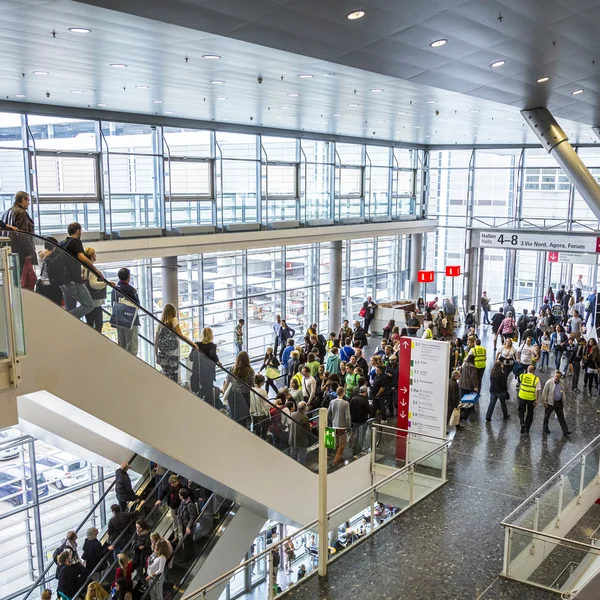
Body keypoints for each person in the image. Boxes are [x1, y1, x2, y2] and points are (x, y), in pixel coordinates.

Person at [60, 222, 104, 319]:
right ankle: (66, 319)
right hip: (74, 280)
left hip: (64, 281)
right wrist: (95, 270)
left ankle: (70, 325)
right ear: (78, 231)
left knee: (70, 307)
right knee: (89, 305)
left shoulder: (62, 243)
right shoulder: (76, 242)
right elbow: (81, 256)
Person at [156, 303, 197, 383]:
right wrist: (192, 344)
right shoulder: (174, 320)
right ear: (173, 312)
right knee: (173, 378)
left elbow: (156, 341)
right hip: (173, 354)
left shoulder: (160, 323)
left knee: (165, 377)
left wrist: (156, 356)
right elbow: (180, 335)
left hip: (162, 354)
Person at [1, 191, 36, 268]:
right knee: (23, 277)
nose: (29, 203)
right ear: (23, 200)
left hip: (8, 251)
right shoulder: (21, 212)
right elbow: (23, 235)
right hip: (20, 252)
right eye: (28, 200)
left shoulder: (5, 213)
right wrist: (31, 252)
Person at [111, 268, 140, 356]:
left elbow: (112, 304)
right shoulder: (131, 290)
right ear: (128, 277)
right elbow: (137, 305)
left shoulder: (114, 289)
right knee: (131, 346)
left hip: (119, 320)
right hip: (130, 320)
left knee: (121, 344)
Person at [222, 351, 255, 426]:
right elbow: (252, 385)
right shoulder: (250, 370)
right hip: (245, 396)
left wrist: (224, 391)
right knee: (243, 416)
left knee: (234, 415)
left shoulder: (232, 368)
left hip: (233, 395)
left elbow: (227, 381)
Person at [190, 327, 220, 404]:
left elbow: (191, 358)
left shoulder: (196, 345)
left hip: (198, 374)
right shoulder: (212, 346)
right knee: (208, 396)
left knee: (198, 395)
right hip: (208, 375)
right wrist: (219, 362)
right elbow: (213, 358)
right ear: (211, 335)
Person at [81, 247, 107, 333]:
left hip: (86, 299)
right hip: (95, 302)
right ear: (92, 255)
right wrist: (106, 283)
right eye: (95, 254)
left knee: (89, 323)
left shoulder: (83, 268)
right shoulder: (91, 269)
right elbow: (93, 284)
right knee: (98, 324)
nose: (95, 256)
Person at [541, 371, 571, 436]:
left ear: (560, 377)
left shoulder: (562, 382)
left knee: (561, 417)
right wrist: (545, 402)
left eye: (558, 377)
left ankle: (565, 430)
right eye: (555, 376)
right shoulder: (549, 382)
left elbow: (563, 391)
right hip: (550, 402)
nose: (556, 378)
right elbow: (544, 393)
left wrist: (563, 401)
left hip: (559, 402)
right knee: (547, 416)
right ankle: (545, 428)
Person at [35, 237, 63, 306]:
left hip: (42, 285)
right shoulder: (55, 257)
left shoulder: (41, 255)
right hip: (53, 286)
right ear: (54, 246)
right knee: (56, 307)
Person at [328, 387, 351, 465]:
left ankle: (338, 457)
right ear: (343, 393)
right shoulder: (346, 403)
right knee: (342, 444)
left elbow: (329, 414)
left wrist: (332, 421)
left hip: (334, 425)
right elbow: (347, 417)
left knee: (337, 442)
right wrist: (349, 426)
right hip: (342, 426)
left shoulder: (332, 402)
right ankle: (337, 460)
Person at [517, 365, 541, 434]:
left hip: (522, 396)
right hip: (531, 398)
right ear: (533, 371)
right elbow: (537, 390)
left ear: (527, 370)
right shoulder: (536, 379)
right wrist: (536, 400)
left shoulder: (522, 376)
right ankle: (527, 427)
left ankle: (522, 423)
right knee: (530, 413)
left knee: (521, 411)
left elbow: (519, 377)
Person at [176, 489, 198, 559]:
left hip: (187, 526)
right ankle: (187, 555)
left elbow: (193, 516)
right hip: (183, 524)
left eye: (179, 494)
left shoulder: (189, 504)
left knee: (188, 541)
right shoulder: (182, 502)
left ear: (182, 496)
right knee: (185, 541)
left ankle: (189, 556)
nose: (178, 495)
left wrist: (188, 526)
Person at [349, 386, 370, 452]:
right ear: (365, 392)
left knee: (355, 433)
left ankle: (353, 446)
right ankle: (357, 448)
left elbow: (350, 409)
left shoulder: (353, 399)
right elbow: (368, 410)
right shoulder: (365, 401)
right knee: (360, 435)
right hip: (362, 421)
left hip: (354, 420)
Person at [250, 374, 271, 439]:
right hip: (262, 414)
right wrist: (275, 403)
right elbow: (266, 404)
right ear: (262, 382)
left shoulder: (251, 390)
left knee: (257, 432)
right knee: (264, 433)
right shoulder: (263, 391)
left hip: (254, 414)